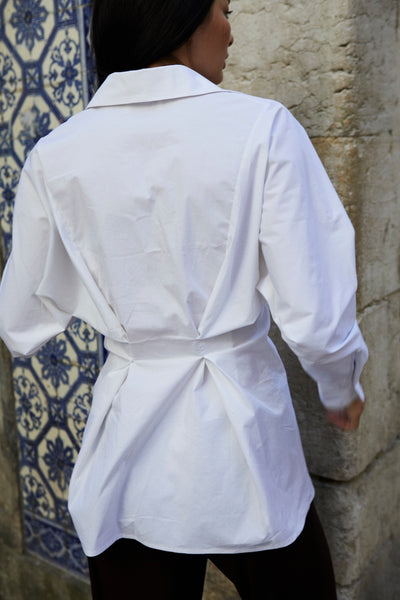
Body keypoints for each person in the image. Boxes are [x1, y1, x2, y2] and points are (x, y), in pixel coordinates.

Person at [0, 0, 368, 598]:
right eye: (224, 10)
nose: (231, 28)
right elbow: (318, 310)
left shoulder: (55, 156)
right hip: (243, 435)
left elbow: (20, 321)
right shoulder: (262, 128)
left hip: (129, 443)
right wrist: (339, 384)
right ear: (179, 20)